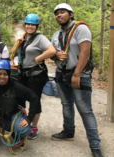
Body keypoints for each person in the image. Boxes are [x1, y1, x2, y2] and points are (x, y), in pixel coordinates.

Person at [50, 3, 103, 157]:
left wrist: (77, 74)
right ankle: (68, 131)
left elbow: (85, 52)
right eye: (57, 13)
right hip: (61, 74)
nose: (59, 15)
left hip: (79, 75)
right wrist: (56, 56)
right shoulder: (56, 34)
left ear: (71, 14)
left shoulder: (80, 29)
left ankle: (95, 146)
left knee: (85, 111)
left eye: (62, 12)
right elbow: (52, 54)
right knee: (66, 104)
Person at [11, 13, 56, 139]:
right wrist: (17, 44)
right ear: (25, 25)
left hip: (36, 74)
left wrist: (39, 58)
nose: (30, 27)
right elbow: (12, 54)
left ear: (36, 26)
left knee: (34, 99)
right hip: (23, 73)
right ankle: (20, 122)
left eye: (33, 25)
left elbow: (52, 50)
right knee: (19, 98)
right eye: (28, 24)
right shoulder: (23, 37)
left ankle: (34, 127)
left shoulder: (40, 38)